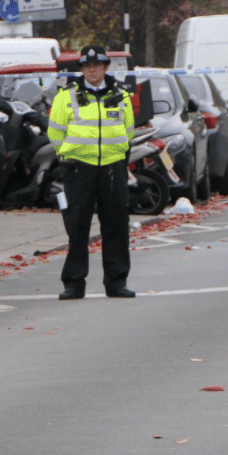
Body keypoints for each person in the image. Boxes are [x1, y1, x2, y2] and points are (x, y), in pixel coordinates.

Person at [47, 45, 136, 300]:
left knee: (116, 225)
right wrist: (66, 155)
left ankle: (117, 282)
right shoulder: (66, 96)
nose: (93, 70)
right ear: (82, 69)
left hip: (112, 169)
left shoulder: (121, 95)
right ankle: (74, 284)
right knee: (77, 228)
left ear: (106, 67)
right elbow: (55, 132)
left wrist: (116, 156)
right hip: (79, 170)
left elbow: (128, 130)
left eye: (97, 65)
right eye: (87, 66)